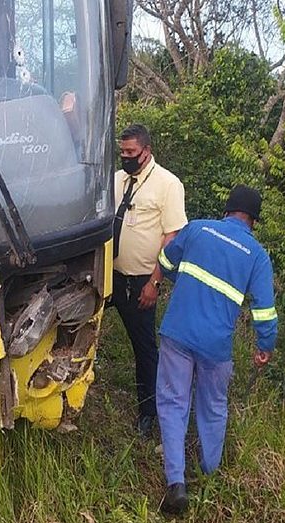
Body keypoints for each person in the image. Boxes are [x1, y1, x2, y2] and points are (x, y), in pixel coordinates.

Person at [154, 185, 278, 515]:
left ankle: (176, 483)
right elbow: (264, 310)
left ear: (226, 209)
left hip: (178, 332)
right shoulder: (257, 255)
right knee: (213, 407)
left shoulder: (197, 229)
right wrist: (265, 346)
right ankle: (210, 474)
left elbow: (165, 260)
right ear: (254, 220)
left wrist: (175, 279)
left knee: (172, 403)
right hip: (216, 346)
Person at [111, 124, 187, 437]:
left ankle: (148, 412)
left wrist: (155, 281)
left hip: (142, 279)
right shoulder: (117, 179)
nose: (126, 158)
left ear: (147, 151)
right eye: (122, 152)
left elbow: (173, 236)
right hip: (109, 274)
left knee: (144, 348)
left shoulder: (168, 184)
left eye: (131, 153)